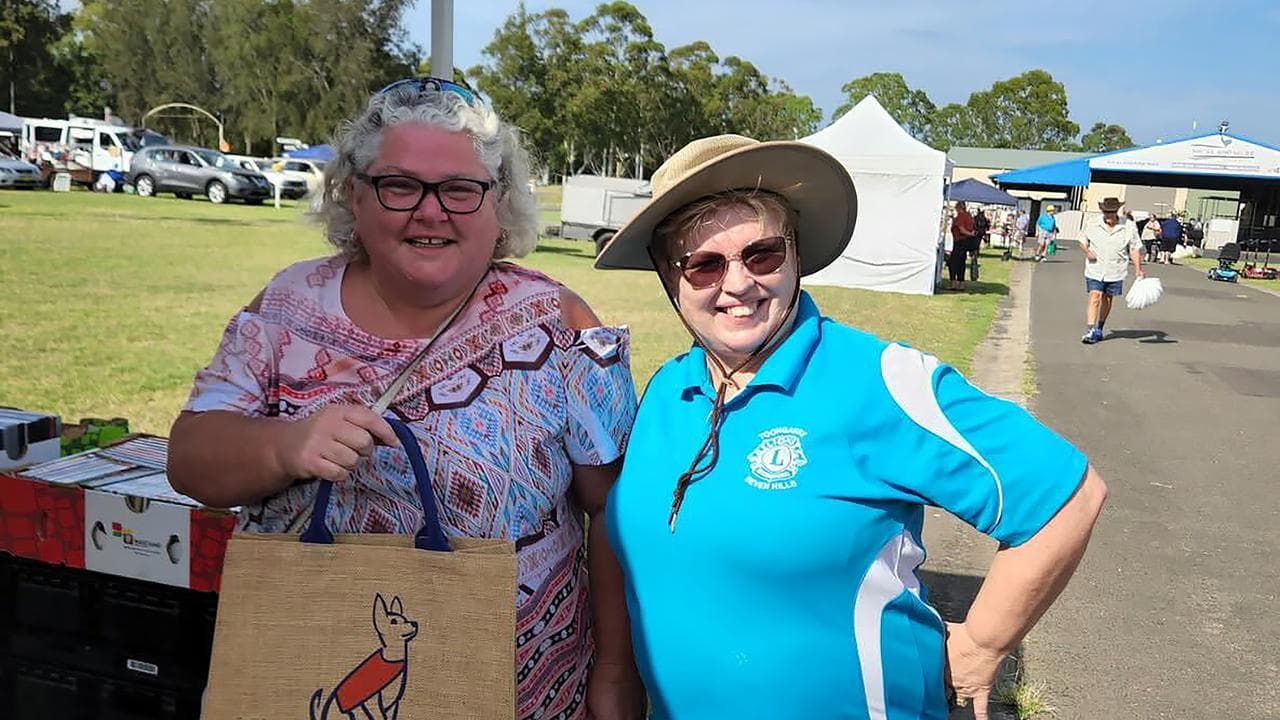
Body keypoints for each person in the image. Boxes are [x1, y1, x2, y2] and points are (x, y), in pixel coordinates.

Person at [167, 77, 646, 720]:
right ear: (355, 194)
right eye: (400, 185)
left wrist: (614, 674)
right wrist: (285, 446)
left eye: (460, 188)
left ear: (497, 202)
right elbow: (191, 459)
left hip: (522, 693)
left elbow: (613, 513)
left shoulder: (559, 325)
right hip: (308, 672)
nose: (430, 210)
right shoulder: (285, 308)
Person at [594, 134, 1109, 720]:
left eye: (761, 254)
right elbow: (622, 537)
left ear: (794, 254)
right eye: (705, 264)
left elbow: (1065, 496)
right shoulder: (667, 388)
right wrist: (614, 671)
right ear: (669, 277)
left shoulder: (879, 380)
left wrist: (981, 645)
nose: (737, 284)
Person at [1079, 197, 1145, 344]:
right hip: (1095, 268)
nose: (1109, 215)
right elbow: (1082, 240)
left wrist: (1138, 269)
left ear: (1117, 211)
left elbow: (1134, 248)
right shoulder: (1093, 223)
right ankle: (1090, 330)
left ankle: (1099, 327)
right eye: (1106, 212)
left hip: (1116, 269)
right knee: (1095, 296)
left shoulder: (1128, 225)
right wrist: (1087, 251)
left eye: (1112, 212)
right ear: (1102, 211)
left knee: (1107, 298)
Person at [947, 201, 977, 290]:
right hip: (966, 243)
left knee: (952, 263)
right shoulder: (969, 216)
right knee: (961, 264)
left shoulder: (960, 217)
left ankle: (953, 283)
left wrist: (969, 234)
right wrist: (971, 234)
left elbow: (962, 229)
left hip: (959, 242)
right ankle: (961, 283)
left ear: (958, 208)